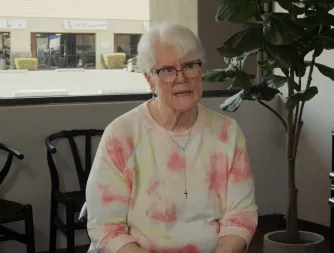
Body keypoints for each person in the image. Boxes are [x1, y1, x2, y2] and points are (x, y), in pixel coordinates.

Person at [85, 22, 258, 253]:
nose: (181, 78)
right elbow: (106, 229)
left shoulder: (227, 132)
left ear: (201, 70)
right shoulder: (122, 135)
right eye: (167, 70)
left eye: (190, 66)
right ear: (150, 80)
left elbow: (241, 217)